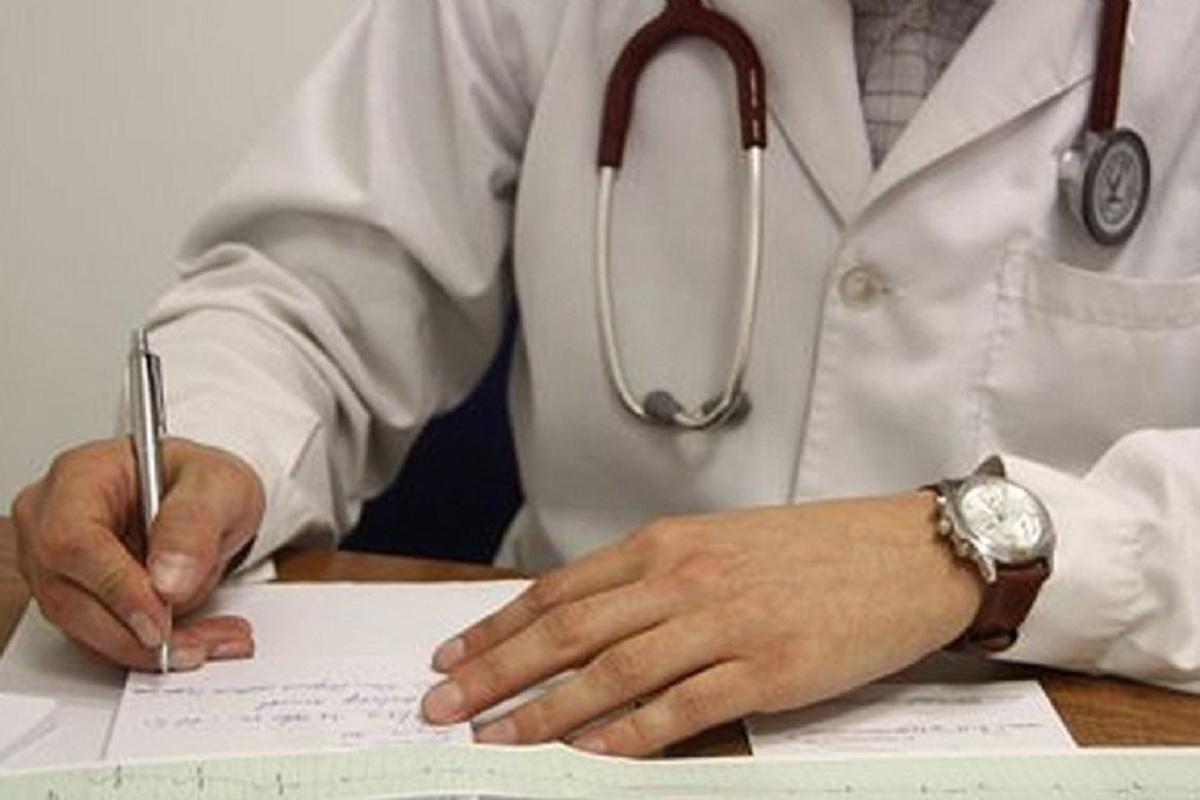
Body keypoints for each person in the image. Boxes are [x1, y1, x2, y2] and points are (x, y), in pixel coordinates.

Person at [11, 0, 1200, 758]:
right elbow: (308, 289)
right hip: (561, 710)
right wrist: (213, 439)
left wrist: (967, 551)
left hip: (1071, 711)